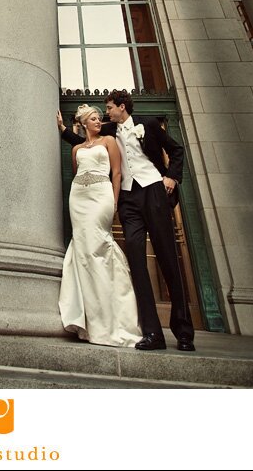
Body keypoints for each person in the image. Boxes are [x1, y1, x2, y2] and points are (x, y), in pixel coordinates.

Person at [58, 90, 195, 352]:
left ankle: (184, 332)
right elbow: (86, 142)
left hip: (154, 190)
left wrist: (171, 177)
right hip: (129, 200)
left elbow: (176, 150)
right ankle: (152, 332)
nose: (106, 112)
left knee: (168, 260)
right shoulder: (107, 130)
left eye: (109, 107)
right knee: (136, 261)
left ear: (122, 107)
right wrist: (64, 130)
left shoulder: (149, 124)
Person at [58, 104, 142, 347]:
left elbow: (116, 173)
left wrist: (114, 202)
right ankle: (87, 317)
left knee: (100, 246)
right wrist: (62, 128)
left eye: (99, 118)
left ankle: (114, 316)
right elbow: (76, 174)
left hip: (102, 196)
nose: (98, 121)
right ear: (84, 123)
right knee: (84, 251)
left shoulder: (109, 141)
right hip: (79, 197)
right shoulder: (76, 148)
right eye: (94, 119)